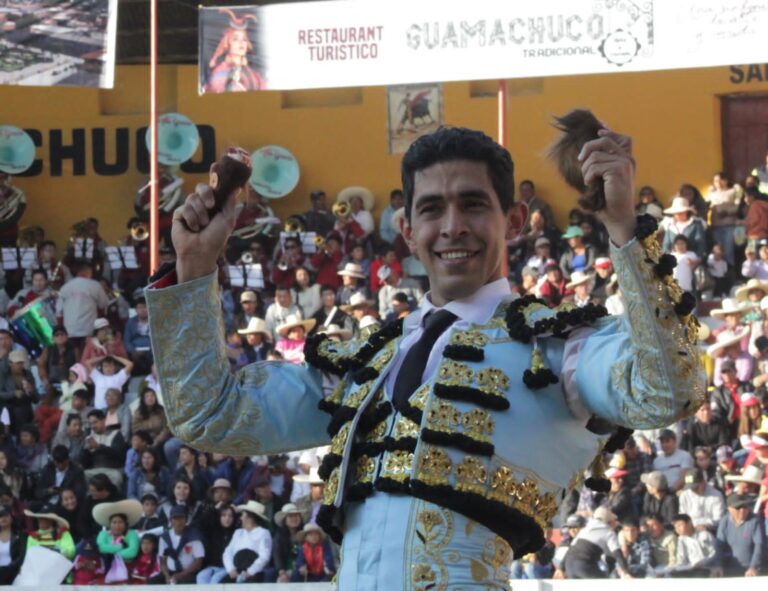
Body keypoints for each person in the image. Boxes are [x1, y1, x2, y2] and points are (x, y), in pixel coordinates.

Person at [147, 125, 705, 589]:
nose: (453, 227)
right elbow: (209, 414)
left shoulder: (558, 347)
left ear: (513, 222)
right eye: (433, 209)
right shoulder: (364, 362)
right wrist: (195, 269)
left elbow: (668, 389)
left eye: (473, 205)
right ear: (409, 231)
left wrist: (625, 230)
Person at [563, 507, 629, 579]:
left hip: (569, 565)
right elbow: (617, 554)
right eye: (614, 520)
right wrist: (626, 572)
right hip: (584, 565)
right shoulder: (608, 532)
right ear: (609, 521)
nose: (615, 523)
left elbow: (570, 550)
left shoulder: (585, 529)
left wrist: (560, 568)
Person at [57, 261, 110, 346]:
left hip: (70, 331)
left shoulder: (65, 287)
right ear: (88, 271)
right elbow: (104, 304)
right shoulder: (95, 285)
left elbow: (59, 311)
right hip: (88, 330)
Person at [222, 500, 272, 582]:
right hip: (236, 571)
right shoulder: (238, 533)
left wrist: (250, 572)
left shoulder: (264, 533)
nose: (241, 518)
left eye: (243, 515)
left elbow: (264, 556)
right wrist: (231, 569)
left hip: (255, 573)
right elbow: (228, 552)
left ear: (250, 518)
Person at [93, 499, 142, 584]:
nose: (117, 525)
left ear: (125, 523)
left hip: (127, 572)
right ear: (110, 524)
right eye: (114, 522)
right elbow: (100, 548)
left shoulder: (131, 534)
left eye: (120, 522)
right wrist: (121, 546)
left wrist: (111, 554)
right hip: (105, 570)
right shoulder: (103, 534)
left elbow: (132, 552)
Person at [716, 493, 763, 576]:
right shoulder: (724, 522)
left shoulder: (755, 521)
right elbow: (720, 546)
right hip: (729, 569)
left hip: (750, 571)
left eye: (745, 507)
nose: (742, 510)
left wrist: (753, 567)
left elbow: (759, 545)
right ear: (729, 509)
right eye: (738, 508)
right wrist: (718, 565)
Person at [159, 505, 205, 584]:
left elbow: (198, 561)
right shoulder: (165, 537)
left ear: (186, 520)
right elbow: (163, 561)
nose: (178, 522)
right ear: (170, 521)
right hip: (170, 573)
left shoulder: (193, 536)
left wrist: (181, 575)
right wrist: (167, 576)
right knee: (153, 581)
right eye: (175, 518)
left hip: (189, 573)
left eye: (181, 518)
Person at [196, 503, 237, 584]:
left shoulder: (237, 532)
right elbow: (200, 524)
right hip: (211, 567)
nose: (227, 518)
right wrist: (213, 509)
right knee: (200, 577)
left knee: (215, 580)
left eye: (230, 516)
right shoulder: (213, 530)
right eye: (224, 515)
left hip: (227, 568)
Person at [272, 502, 304, 582]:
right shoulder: (279, 536)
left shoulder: (305, 533)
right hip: (285, 569)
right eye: (290, 516)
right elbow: (277, 555)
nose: (294, 518)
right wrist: (282, 572)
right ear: (285, 520)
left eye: (296, 516)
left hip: (303, 569)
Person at [123, 296, 152, 375]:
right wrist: (133, 351)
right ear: (136, 310)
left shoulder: (153, 320)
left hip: (151, 348)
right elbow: (127, 340)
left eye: (144, 307)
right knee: (134, 359)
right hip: (135, 349)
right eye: (139, 308)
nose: (142, 310)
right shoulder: (131, 322)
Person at [0, 505, 24, 584]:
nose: (3, 518)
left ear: (11, 518)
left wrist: (8, 569)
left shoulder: (19, 535)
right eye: (0, 516)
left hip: (13, 573)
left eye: (6, 515)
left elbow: (21, 555)